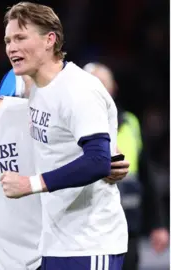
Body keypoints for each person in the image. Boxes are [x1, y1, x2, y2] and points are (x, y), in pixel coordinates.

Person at [0, 45, 130, 270]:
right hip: (6, 264)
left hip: (50, 257)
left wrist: (112, 158)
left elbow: (91, 141)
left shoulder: (26, 114)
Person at [0, 2, 129, 269]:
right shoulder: (32, 83)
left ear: (50, 40)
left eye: (21, 38)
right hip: (53, 241)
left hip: (90, 241)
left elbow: (97, 161)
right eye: (8, 40)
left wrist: (29, 184)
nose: (11, 47)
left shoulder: (78, 90)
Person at [84, 62, 169, 270]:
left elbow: (146, 178)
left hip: (128, 225)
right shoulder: (77, 126)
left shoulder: (131, 123)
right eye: (94, 84)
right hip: (91, 229)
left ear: (114, 88)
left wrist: (158, 224)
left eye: (105, 84)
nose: (101, 90)